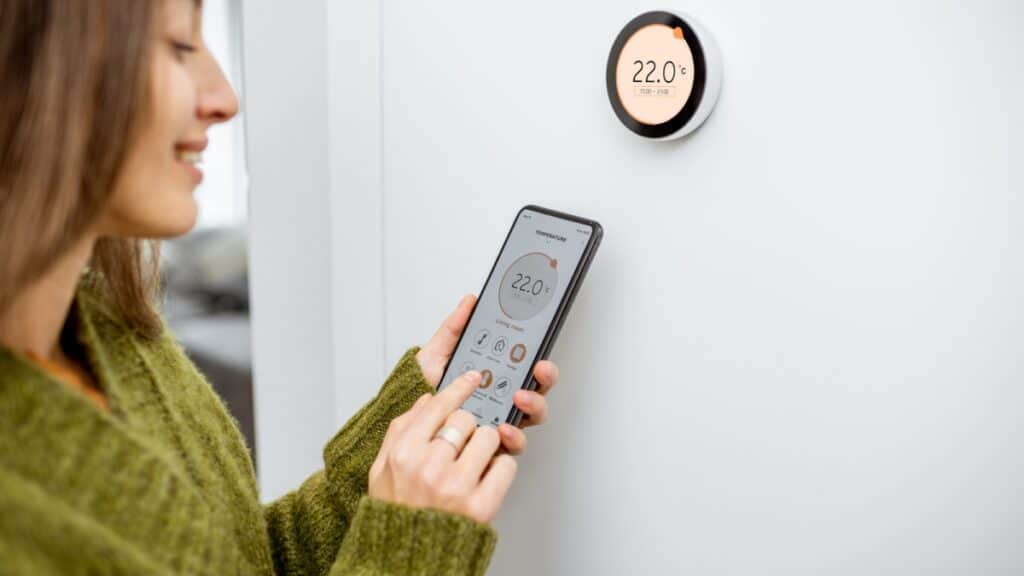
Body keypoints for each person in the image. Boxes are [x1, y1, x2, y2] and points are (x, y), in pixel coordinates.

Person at [0, 1, 560, 574]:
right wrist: (411, 546)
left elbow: (245, 562)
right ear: (32, 70)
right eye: (178, 46)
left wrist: (400, 451)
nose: (224, 98)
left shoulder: (116, 330)